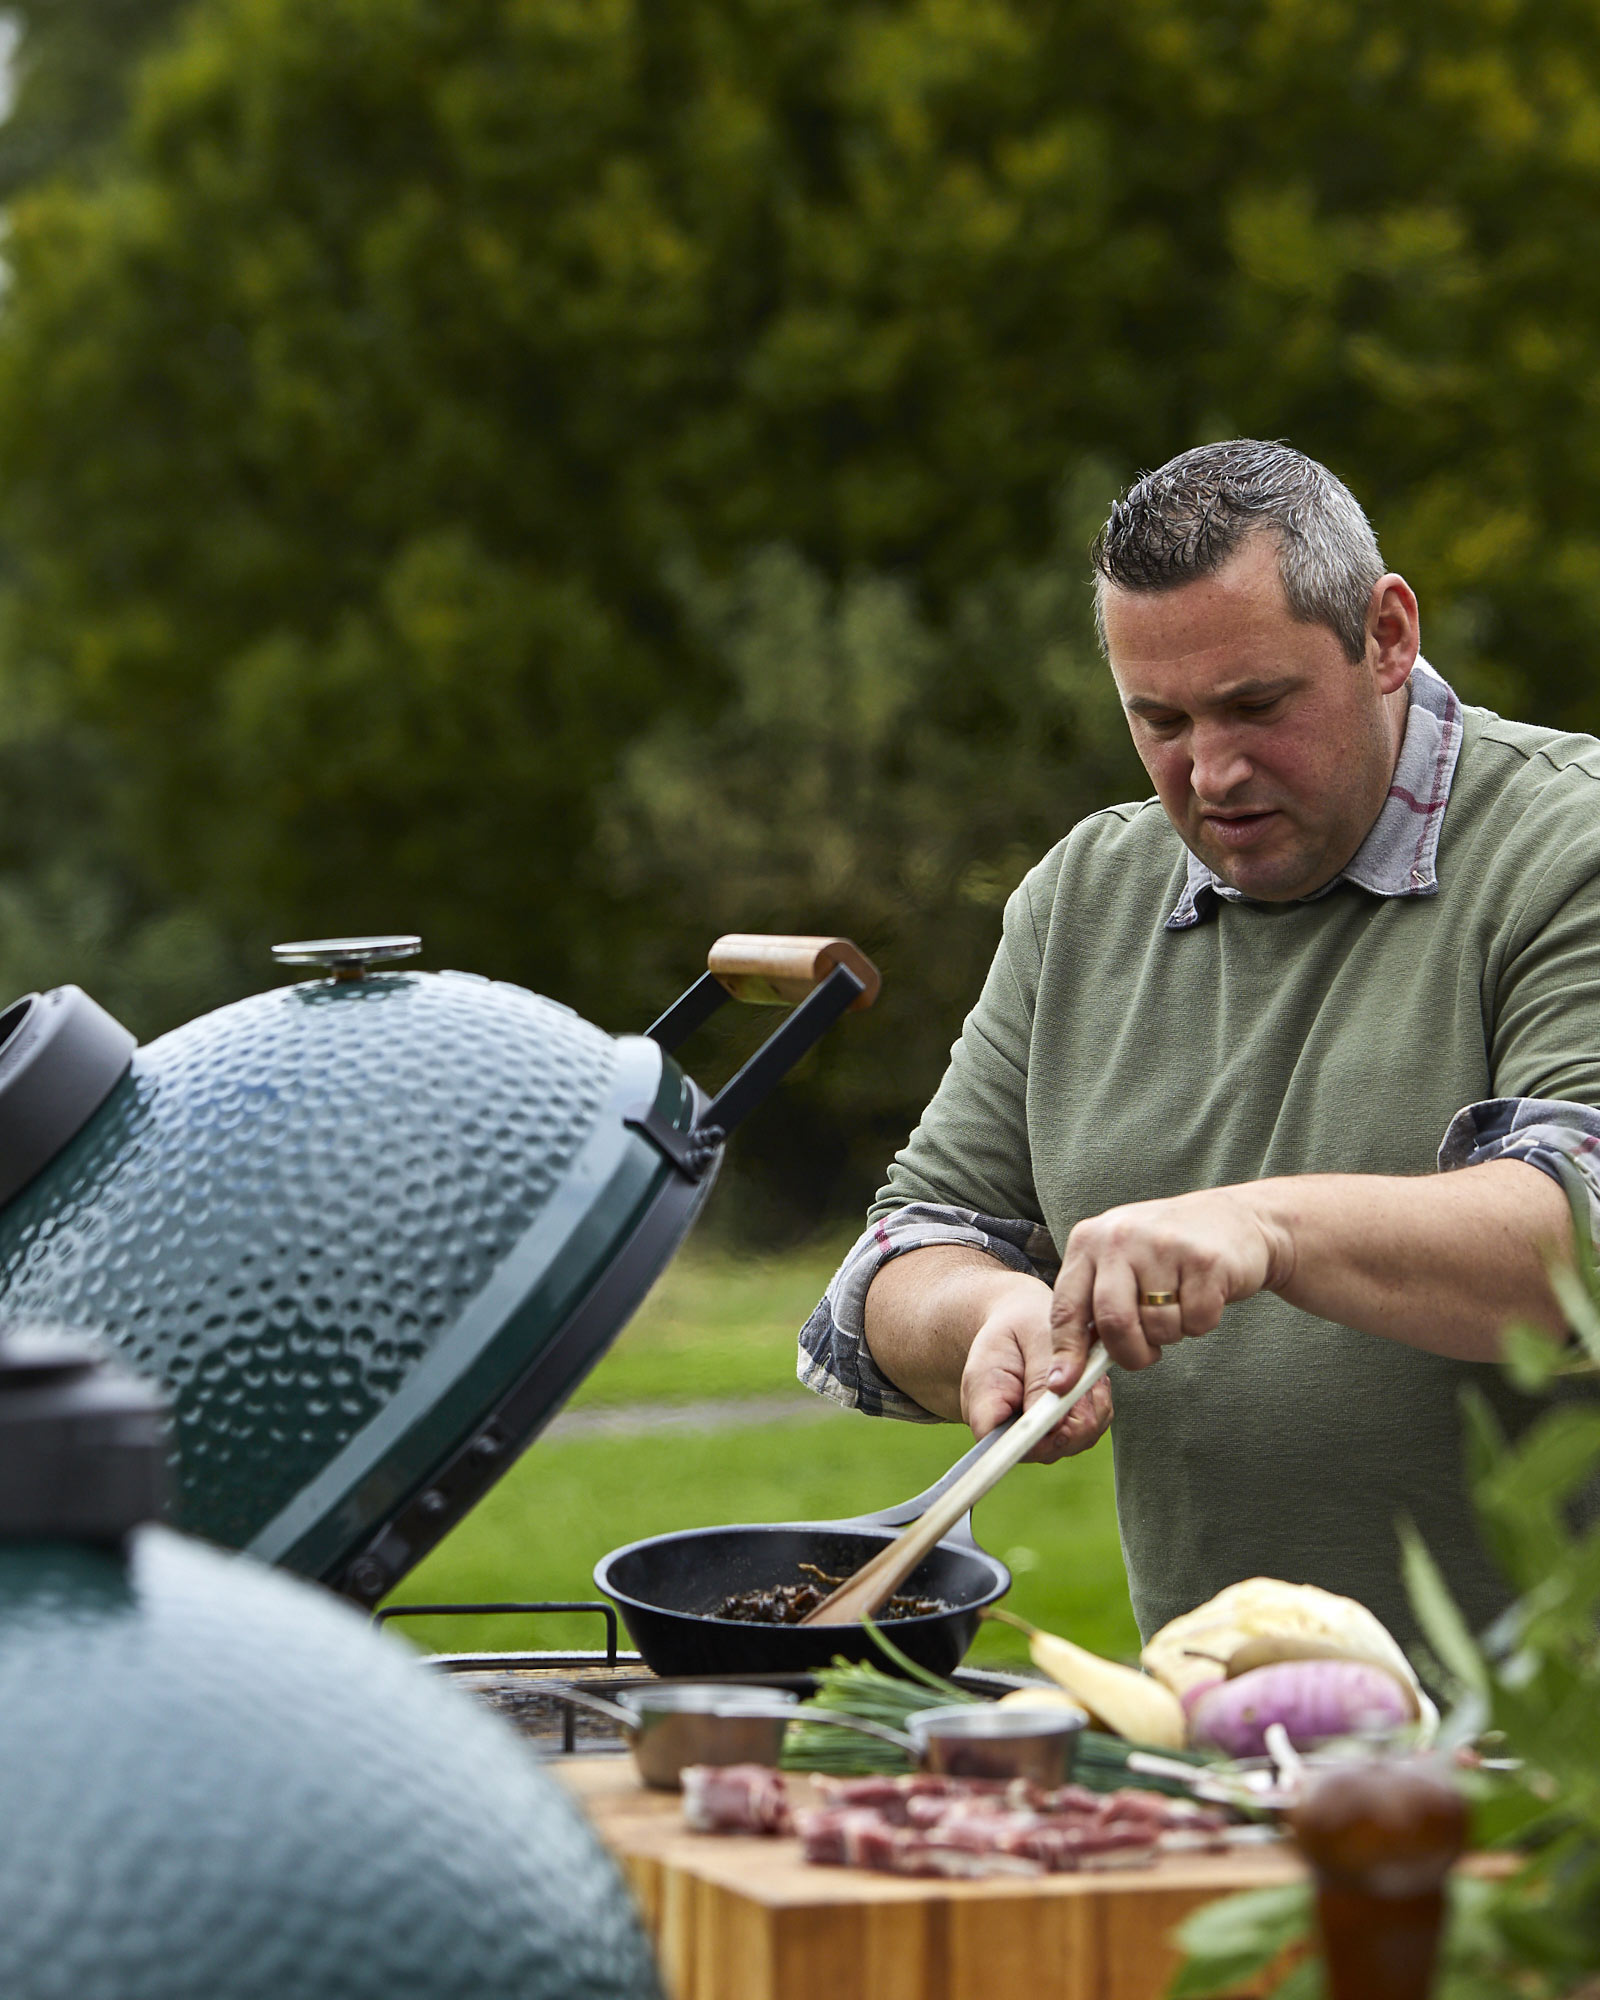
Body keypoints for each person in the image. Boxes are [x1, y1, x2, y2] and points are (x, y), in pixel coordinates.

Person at [798, 438, 1600, 1649]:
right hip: (1224, 1739)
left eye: (1256, 705)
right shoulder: (1082, 895)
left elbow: (1579, 1233)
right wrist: (983, 1310)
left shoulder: (1564, 845)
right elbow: (886, 1271)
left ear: (1386, 635)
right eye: (1159, 719)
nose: (1211, 770)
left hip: (1551, 1761)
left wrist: (1264, 1227)